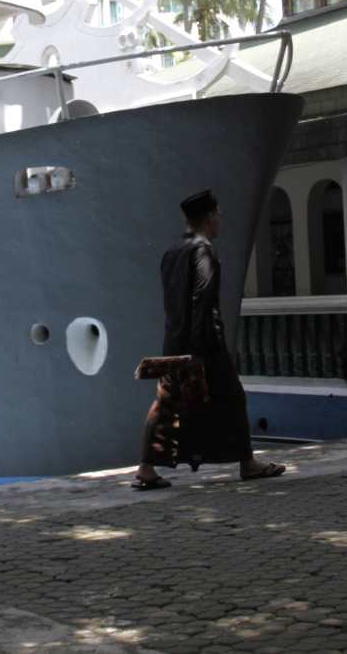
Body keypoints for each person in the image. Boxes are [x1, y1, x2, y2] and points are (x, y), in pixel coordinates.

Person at [133, 189, 286, 490]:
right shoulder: (204, 251)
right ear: (210, 216)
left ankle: (146, 468)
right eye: (220, 216)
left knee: (165, 404)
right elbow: (201, 300)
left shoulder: (172, 252)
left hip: (173, 343)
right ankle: (248, 464)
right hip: (205, 345)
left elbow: (173, 303)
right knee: (233, 397)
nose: (221, 222)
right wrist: (199, 351)